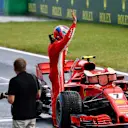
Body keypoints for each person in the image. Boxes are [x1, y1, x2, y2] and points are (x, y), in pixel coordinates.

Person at [48, 11, 77, 126]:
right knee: (58, 95)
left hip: (55, 72)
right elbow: (67, 40)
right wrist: (74, 24)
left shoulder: (54, 45)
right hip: (57, 73)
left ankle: (56, 118)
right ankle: (56, 120)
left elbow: (65, 43)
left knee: (57, 94)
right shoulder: (56, 46)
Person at [7, 58, 41, 128]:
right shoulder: (33, 78)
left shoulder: (14, 81)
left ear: (14, 68)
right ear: (25, 67)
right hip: (32, 116)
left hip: (19, 117)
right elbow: (38, 95)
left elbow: (11, 100)